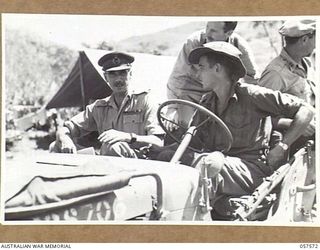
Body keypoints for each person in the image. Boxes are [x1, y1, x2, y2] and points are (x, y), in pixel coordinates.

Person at [162, 41, 315, 214]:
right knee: (169, 156)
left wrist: (283, 146)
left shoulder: (252, 95)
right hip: (218, 164)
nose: (197, 74)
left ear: (218, 69)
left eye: (202, 67)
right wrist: (165, 148)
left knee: (207, 163)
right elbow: (194, 143)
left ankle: (195, 220)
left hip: (252, 170)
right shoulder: (207, 102)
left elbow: (306, 110)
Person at [51, 52, 164, 158]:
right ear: (106, 78)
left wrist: (129, 137)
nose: (118, 79)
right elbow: (66, 128)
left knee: (112, 147)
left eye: (122, 73)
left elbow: (159, 142)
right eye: (112, 74)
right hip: (108, 160)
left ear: (130, 74)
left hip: (140, 162)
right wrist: (64, 138)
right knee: (56, 146)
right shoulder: (99, 107)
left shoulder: (145, 100)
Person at [166, 21, 258, 127]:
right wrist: (172, 108)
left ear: (228, 33)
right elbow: (178, 77)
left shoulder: (240, 48)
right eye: (207, 27)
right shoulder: (193, 43)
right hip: (193, 95)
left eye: (213, 30)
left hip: (222, 97)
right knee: (185, 129)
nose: (207, 33)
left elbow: (252, 79)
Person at [258, 20, 316, 153]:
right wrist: (292, 124)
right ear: (305, 39)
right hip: (293, 142)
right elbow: (258, 118)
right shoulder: (276, 74)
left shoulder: (306, 62)